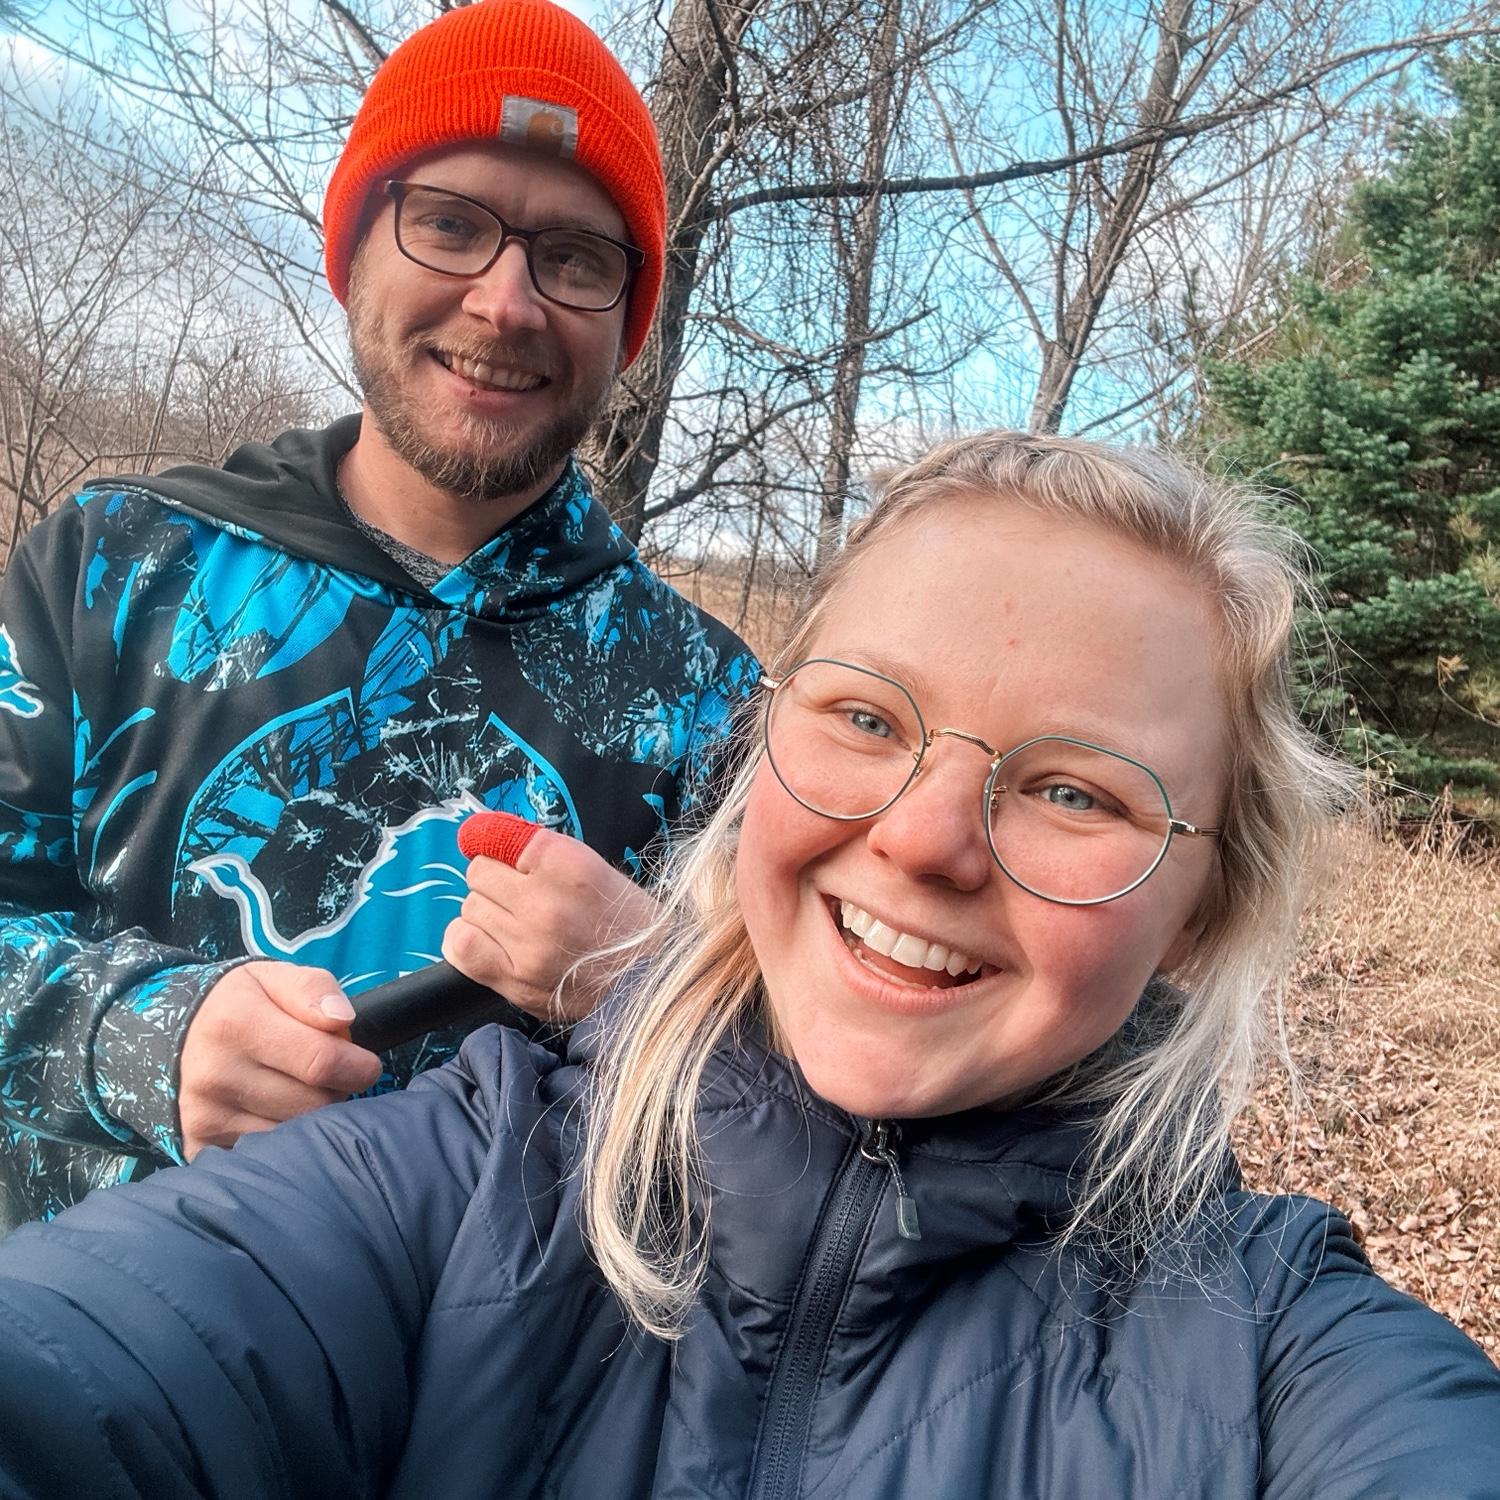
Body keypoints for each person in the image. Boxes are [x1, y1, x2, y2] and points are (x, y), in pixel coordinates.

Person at [2, 430, 1498, 1498]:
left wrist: (639, 971)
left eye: (1074, 790)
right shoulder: (474, 1174)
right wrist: (140, 1033)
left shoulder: (1281, 1359)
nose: (919, 840)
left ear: (1210, 900)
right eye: (866, 718)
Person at [0, 0, 758, 1224]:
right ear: (352, 252)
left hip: (490, 1347)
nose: (506, 303)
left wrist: (652, 981)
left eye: (574, 258)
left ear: (627, 323)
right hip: (86, 1325)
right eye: (450, 224)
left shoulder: (712, 707)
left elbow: (802, 1132)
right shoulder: (113, 567)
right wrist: (143, 1039)